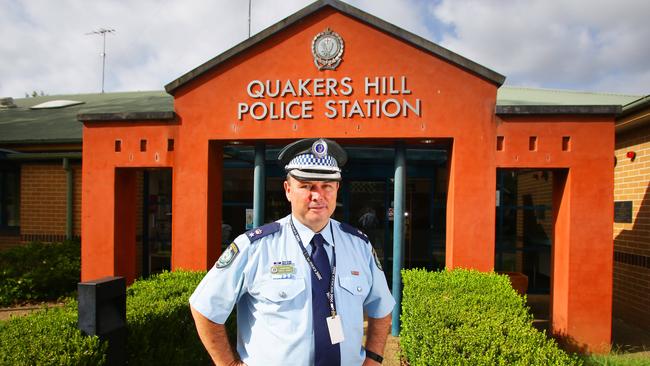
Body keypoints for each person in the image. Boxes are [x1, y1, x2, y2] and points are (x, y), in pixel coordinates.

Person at [190, 138, 395, 366]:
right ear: (288, 190)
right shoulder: (255, 247)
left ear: (337, 188)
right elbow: (205, 307)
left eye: (326, 185)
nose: (317, 195)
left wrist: (374, 358)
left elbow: (382, 307)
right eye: (306, 185)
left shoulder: (359, 246)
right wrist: (229, 364)